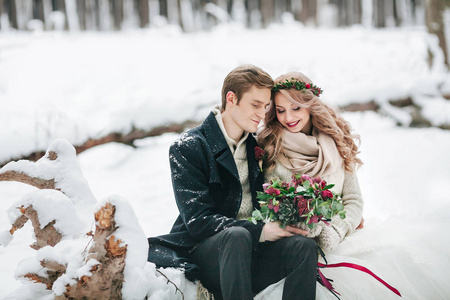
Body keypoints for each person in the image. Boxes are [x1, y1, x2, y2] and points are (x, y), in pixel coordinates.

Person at [147, 65, 318, 300]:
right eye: (255, 105)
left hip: (252, 252)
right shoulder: (189, 146)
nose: (261, 113)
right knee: (237, 236)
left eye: (266, 106)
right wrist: (259, 231)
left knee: (303, 246)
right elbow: (198, 220)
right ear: (231, 98)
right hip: (208, 254)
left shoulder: (258, 146)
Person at [257, 71, 364, 253]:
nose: (288, 118)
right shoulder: (270, 147)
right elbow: (264, 205)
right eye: (281, 111)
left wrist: (336, 230)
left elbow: (353, 200)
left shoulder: (337, 141)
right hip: (292, 248)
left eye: (296, 108)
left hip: (340, 242)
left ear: (309, 105)